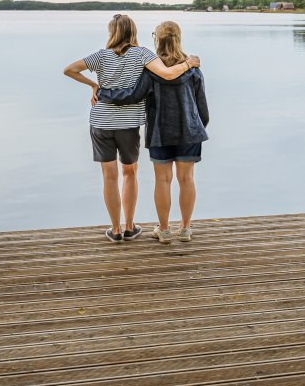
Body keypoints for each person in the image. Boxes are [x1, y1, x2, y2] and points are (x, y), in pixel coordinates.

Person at [63, 14, 200, 244]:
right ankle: (132, 226)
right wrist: (189, 63)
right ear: (133, 32)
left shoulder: (101, 56)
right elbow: (171, 77)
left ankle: (118, 230)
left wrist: (94, 86)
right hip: (131, 124)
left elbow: (69, 70)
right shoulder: (143, 55)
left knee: (110, 177)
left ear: (112, 32)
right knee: (132, 173)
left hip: (102, 122)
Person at [97, 20, 208, 244]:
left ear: (157, 40)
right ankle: (185, 229)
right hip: (189, 131)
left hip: (160, 132)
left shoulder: (150, 70)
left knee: (163, 180)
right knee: (187, 179)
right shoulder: (193, 69)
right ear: (179, 38)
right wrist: (197, 127)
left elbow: (132, 96)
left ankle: (164, 230)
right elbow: (202, 108)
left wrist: (103, 93)